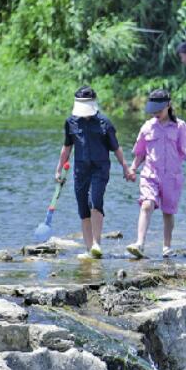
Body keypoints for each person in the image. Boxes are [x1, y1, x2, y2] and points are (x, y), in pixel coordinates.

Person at [125, 89, 186, 259]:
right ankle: (139, 243)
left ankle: (166, 247)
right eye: (153, 110)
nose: (156, 113)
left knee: (168, 212)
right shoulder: (147, 127)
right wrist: (132, 168)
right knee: (146, 204)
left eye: (159, 110)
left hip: (172, 177)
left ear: (168, 106)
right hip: (150, 175)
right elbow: (140, 152)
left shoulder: (180, 127)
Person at [54, 86, 132, 260]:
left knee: (95, 201)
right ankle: (89, 249)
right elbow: (66, 148)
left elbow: (116, 149)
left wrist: (126, 168)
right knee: (83, 208)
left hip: (100, 169)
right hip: (80, 170)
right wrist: (58, 169)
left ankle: (97, 243)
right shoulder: (71, 122)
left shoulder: (105, 123)